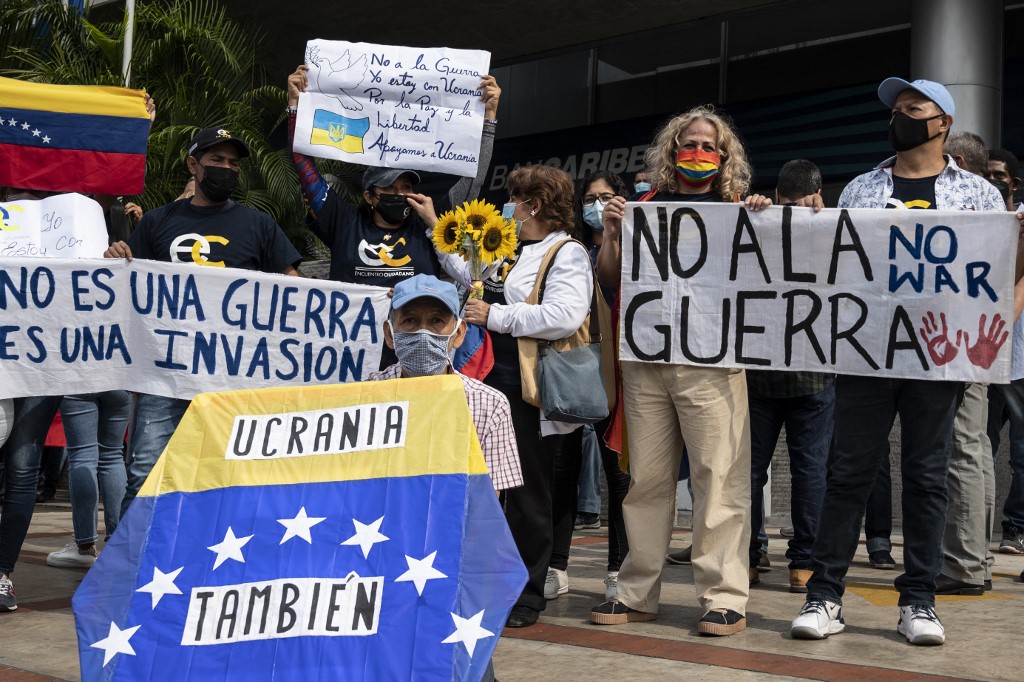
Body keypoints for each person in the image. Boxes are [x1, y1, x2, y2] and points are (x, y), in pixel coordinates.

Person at [790, 78, 1009, 646]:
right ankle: (825, 595)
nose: (902, 115)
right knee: (850, 472)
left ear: (944, 124)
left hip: (938, 355)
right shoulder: (862, 188)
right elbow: (833, 268)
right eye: (898, 109)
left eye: (915, 108)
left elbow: (1000, 275)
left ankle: (919, 601)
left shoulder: (980, 196)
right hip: (868, 351)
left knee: (928, 475)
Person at [589, 105, 772, 637]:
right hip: (646, 362)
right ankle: (636, 591)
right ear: (671, 152)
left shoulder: (739, 210)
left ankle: (723, 596)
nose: (698, 153)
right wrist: (612, 235)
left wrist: (762, 214)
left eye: (709, 146)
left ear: (724, 157)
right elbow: (609, 281)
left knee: (719, 479)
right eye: (689, 143)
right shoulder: (643, 207)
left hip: (713, 365)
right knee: (645, 480)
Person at [104, 126, 302, 517]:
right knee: (145, 470)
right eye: (216, 161)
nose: (226, 168)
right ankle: (123, 568)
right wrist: (114, 261)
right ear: (193, 165)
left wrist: (350, 303)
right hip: (166, 373)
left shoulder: (258, 225)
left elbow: (295, 290)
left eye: (233, 163)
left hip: (235, 375)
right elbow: (129, 287)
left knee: (226, 473)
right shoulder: (158, 222)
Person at [366, 274, 522, 682]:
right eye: (409, 321)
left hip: (453, 567)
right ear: (389, 333)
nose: (422, 332)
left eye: (437, 321)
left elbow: (492, 510)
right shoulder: (364, 400)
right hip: (378, 562)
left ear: (458, 334)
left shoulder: (489, 406)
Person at [462, 164, 594, 629]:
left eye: (514, 199)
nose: (508, 207)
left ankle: (527, 592)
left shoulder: (567, 252)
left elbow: (564, 315)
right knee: (483, 486)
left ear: (533, 204)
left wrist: (495, 315)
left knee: (526, 490)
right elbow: (466, 270)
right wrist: (431, 221)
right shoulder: (509, 248)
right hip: (483, 379)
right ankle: (483, 581)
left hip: (525, 387)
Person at [285, 66, 500, 290]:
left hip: (414, 325)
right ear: (369, 196)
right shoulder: (345, 224)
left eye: (406, 186)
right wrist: (295, 107)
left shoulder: (428, 225)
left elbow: (473, 178)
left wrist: (489, 117)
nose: (399, 194)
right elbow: (304, 168)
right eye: (389, 187)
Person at [745, 159, 834, 594]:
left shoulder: (834, 226)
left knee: (781, 471)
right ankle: (798, 561)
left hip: (800, 376)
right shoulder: (757, 219)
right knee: (791, 471)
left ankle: (759, 557)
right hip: (783, 376)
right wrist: (751, 212)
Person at [546, 170, 631, 602]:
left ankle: (618, 570)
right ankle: (555, 566)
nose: (598, 204)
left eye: (608, 196)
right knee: (563, 468)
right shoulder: (570, 250)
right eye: (591, 198)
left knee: (618, 473)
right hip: (576, 367)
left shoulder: (640, 247)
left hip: (622, 372)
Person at [934, 131, 997, 594]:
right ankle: (976, 558)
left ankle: (964, 566)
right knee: (975, 449)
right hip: (967, 337)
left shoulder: (979, 198)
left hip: (959, 339)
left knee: (963, 447)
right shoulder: (993, 200)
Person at [45, 391, 132, 568]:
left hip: (81, 376)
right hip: (120, 380)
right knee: (113, 456)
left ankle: (84, 547)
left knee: (82, 456)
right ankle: (118, 545)